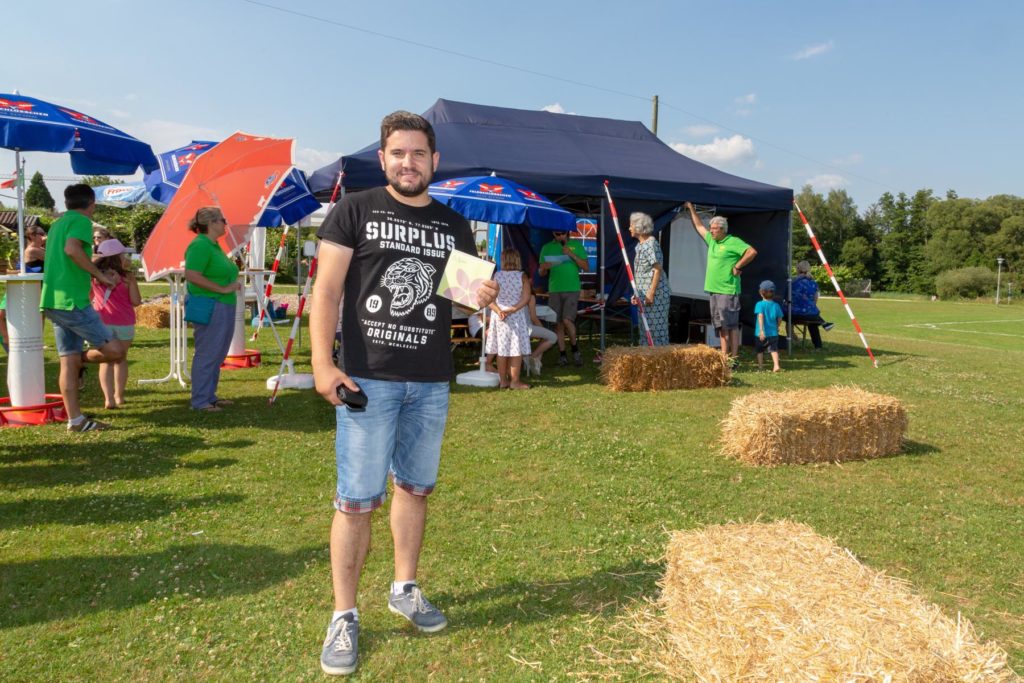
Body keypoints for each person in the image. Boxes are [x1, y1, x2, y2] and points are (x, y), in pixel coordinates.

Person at [310, 110, 498, 676]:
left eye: (418, 154)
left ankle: (405, 587)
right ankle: (344, 615)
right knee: (357, 499)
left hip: (432, 380)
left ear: (434, 161)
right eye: (398, 153)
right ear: (383, 157)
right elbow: (327, 292)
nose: (408, 163)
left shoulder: (453, 224)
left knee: (414, 490)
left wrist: (480, 294)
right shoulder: (355, 211)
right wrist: (323, 365)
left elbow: (459, 304)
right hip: (369, 380)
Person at [39, 184, 125, 432]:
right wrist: (99, 274)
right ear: (92, 203)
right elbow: (72, 249)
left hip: (53, 300)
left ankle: (75, 420)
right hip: (73, 301)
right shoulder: (81, 222)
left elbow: (65, 254)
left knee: (68, 362)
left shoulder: (57, 224)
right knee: (116, 352)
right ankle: (81, 361)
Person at [684, 202, 757, 366]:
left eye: (714, 229)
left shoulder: (733, 241)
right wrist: (691, 209)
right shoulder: (712, 240)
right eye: (711, 228)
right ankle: (724, 356)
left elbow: (752, 252)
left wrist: (738, 266)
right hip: (714, 290)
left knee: (730, 325)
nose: (711, 231)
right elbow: (699, 226)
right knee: (721, 325)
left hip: (728, 290)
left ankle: (734, 358)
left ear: (723, 230)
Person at [183, 207, 241, 412]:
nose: (225, 224)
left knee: (217, 353)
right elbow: (192, 275)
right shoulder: (200, 246)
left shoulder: (213, 245)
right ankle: (200, 401)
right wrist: (223, 288)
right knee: (208, 353)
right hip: (210, 304)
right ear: (212, 223)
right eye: (222, 220)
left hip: (222, 303)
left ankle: (209, 396)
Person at [90, 239, 141, 409]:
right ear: (119, 255)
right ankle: (119, 396)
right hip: (124, 322)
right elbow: (136, 301)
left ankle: (108, 399)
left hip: (101, 322)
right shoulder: (128, 276)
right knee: (121, 359)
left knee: (106, 361)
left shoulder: (94, 276)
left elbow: (89, 297)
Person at [538, 228, 588, 366]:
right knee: (558, 324)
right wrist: (543, 269)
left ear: (567, 233)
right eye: (556, 234)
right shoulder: (546, 247)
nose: (560, 236)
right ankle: (562, 354)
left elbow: (586, 266)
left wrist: (571, 254)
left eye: (562, 233)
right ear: (553, 234)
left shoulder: (577, 245)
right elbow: (541, 272)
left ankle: (575, 349)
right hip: (554, 290)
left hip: (572, 289)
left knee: (567, 320)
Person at [485, 249, 531, 389]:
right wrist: (513, 308)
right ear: (517, 260)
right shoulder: (522, 276)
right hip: (515, 316)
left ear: (503, 260)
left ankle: (503, 381)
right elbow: (526, 298)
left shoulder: (496, 276)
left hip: (500, 317)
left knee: (502, 350)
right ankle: (515, 382)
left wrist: (499, 311)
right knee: (516, 351)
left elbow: (489, 299)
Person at [628, 212, 671, 346]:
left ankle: (659, 362)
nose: (629, 228)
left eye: (631, 226)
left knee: (655, 331)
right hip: (644, 296)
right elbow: (642, 273)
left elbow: (657, 269)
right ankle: (646, 361)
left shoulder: (650, 244)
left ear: (639, 228)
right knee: (645, 330)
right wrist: (637, 294)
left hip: (655, 296)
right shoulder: (640, 246)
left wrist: (651, 293)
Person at [789, 260, 834, 350]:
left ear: (798, 269)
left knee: (785, 315)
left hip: (795, 314)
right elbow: (815, 300)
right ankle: (818, 345)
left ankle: (790, 338)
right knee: (812, 320)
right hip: (810, 314)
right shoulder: (813, 283)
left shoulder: (792, 282)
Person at [754, 280, 784, 372]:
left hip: (761, 334)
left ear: (761, 293)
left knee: (760, 351)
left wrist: (762, 330)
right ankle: (776, 365)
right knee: (774, 350)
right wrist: (777, 326)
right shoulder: (776, 305)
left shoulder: (760, 304)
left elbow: (760, 316)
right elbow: (779, 318)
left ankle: (760, 366)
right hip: (773, 333)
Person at [524, 292, 556, 375]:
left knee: (545, 336)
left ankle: (533, 359)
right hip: (527, 328)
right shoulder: (530, 296)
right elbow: (534, 318)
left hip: (517, 329)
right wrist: (542, 328)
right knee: (552, 337)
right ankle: (533, 357)